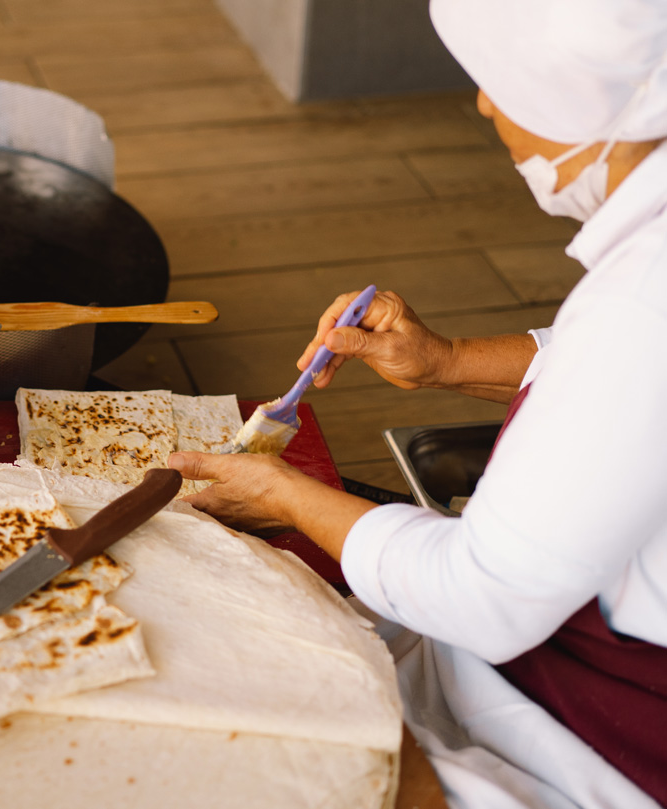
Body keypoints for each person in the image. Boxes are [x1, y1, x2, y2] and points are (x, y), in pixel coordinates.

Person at [167, 1, 667, 807]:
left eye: (505, 86)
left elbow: (482, 597)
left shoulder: (643, 304)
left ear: (584, 98)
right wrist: (447, 361)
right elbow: (613, 380)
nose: (485, 104)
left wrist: (285, 493)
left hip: (587, 739)